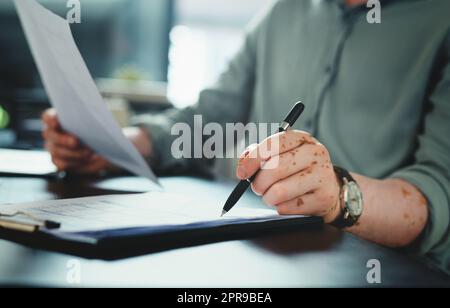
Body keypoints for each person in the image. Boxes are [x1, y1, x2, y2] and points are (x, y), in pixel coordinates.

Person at [42, 0, 450, 274]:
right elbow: (212, 114)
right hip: (265, 257)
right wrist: (114, 146)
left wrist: (339, 194)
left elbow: (438, 194)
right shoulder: (283, 12)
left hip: (376, 268)